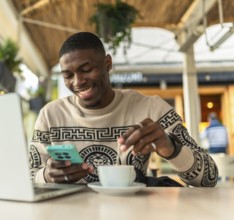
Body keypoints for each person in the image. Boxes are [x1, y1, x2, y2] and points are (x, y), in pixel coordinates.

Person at [29, 32, 218, 187]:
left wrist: (170, 148)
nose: (77, 82)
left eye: (86, 69)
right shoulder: (50, 116)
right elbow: (28, 177)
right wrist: (46, 175)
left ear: (107, 64)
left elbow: (209, 177)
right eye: (68, 75)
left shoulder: (151, 108)